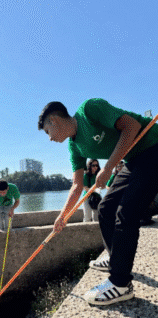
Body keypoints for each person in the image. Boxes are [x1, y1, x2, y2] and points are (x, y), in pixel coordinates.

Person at [38, 99, 158, 305]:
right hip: (132, 160)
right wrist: (62, 216)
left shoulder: (89, 110)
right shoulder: (74, 147)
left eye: (47, 132)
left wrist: (109, 167)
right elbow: (77, 186)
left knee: (127, 212)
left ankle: (121, 283)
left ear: (54, 120)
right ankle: (115, 258)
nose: (49, 139)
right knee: (105, 208)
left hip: (152, 147)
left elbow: (133, 126)